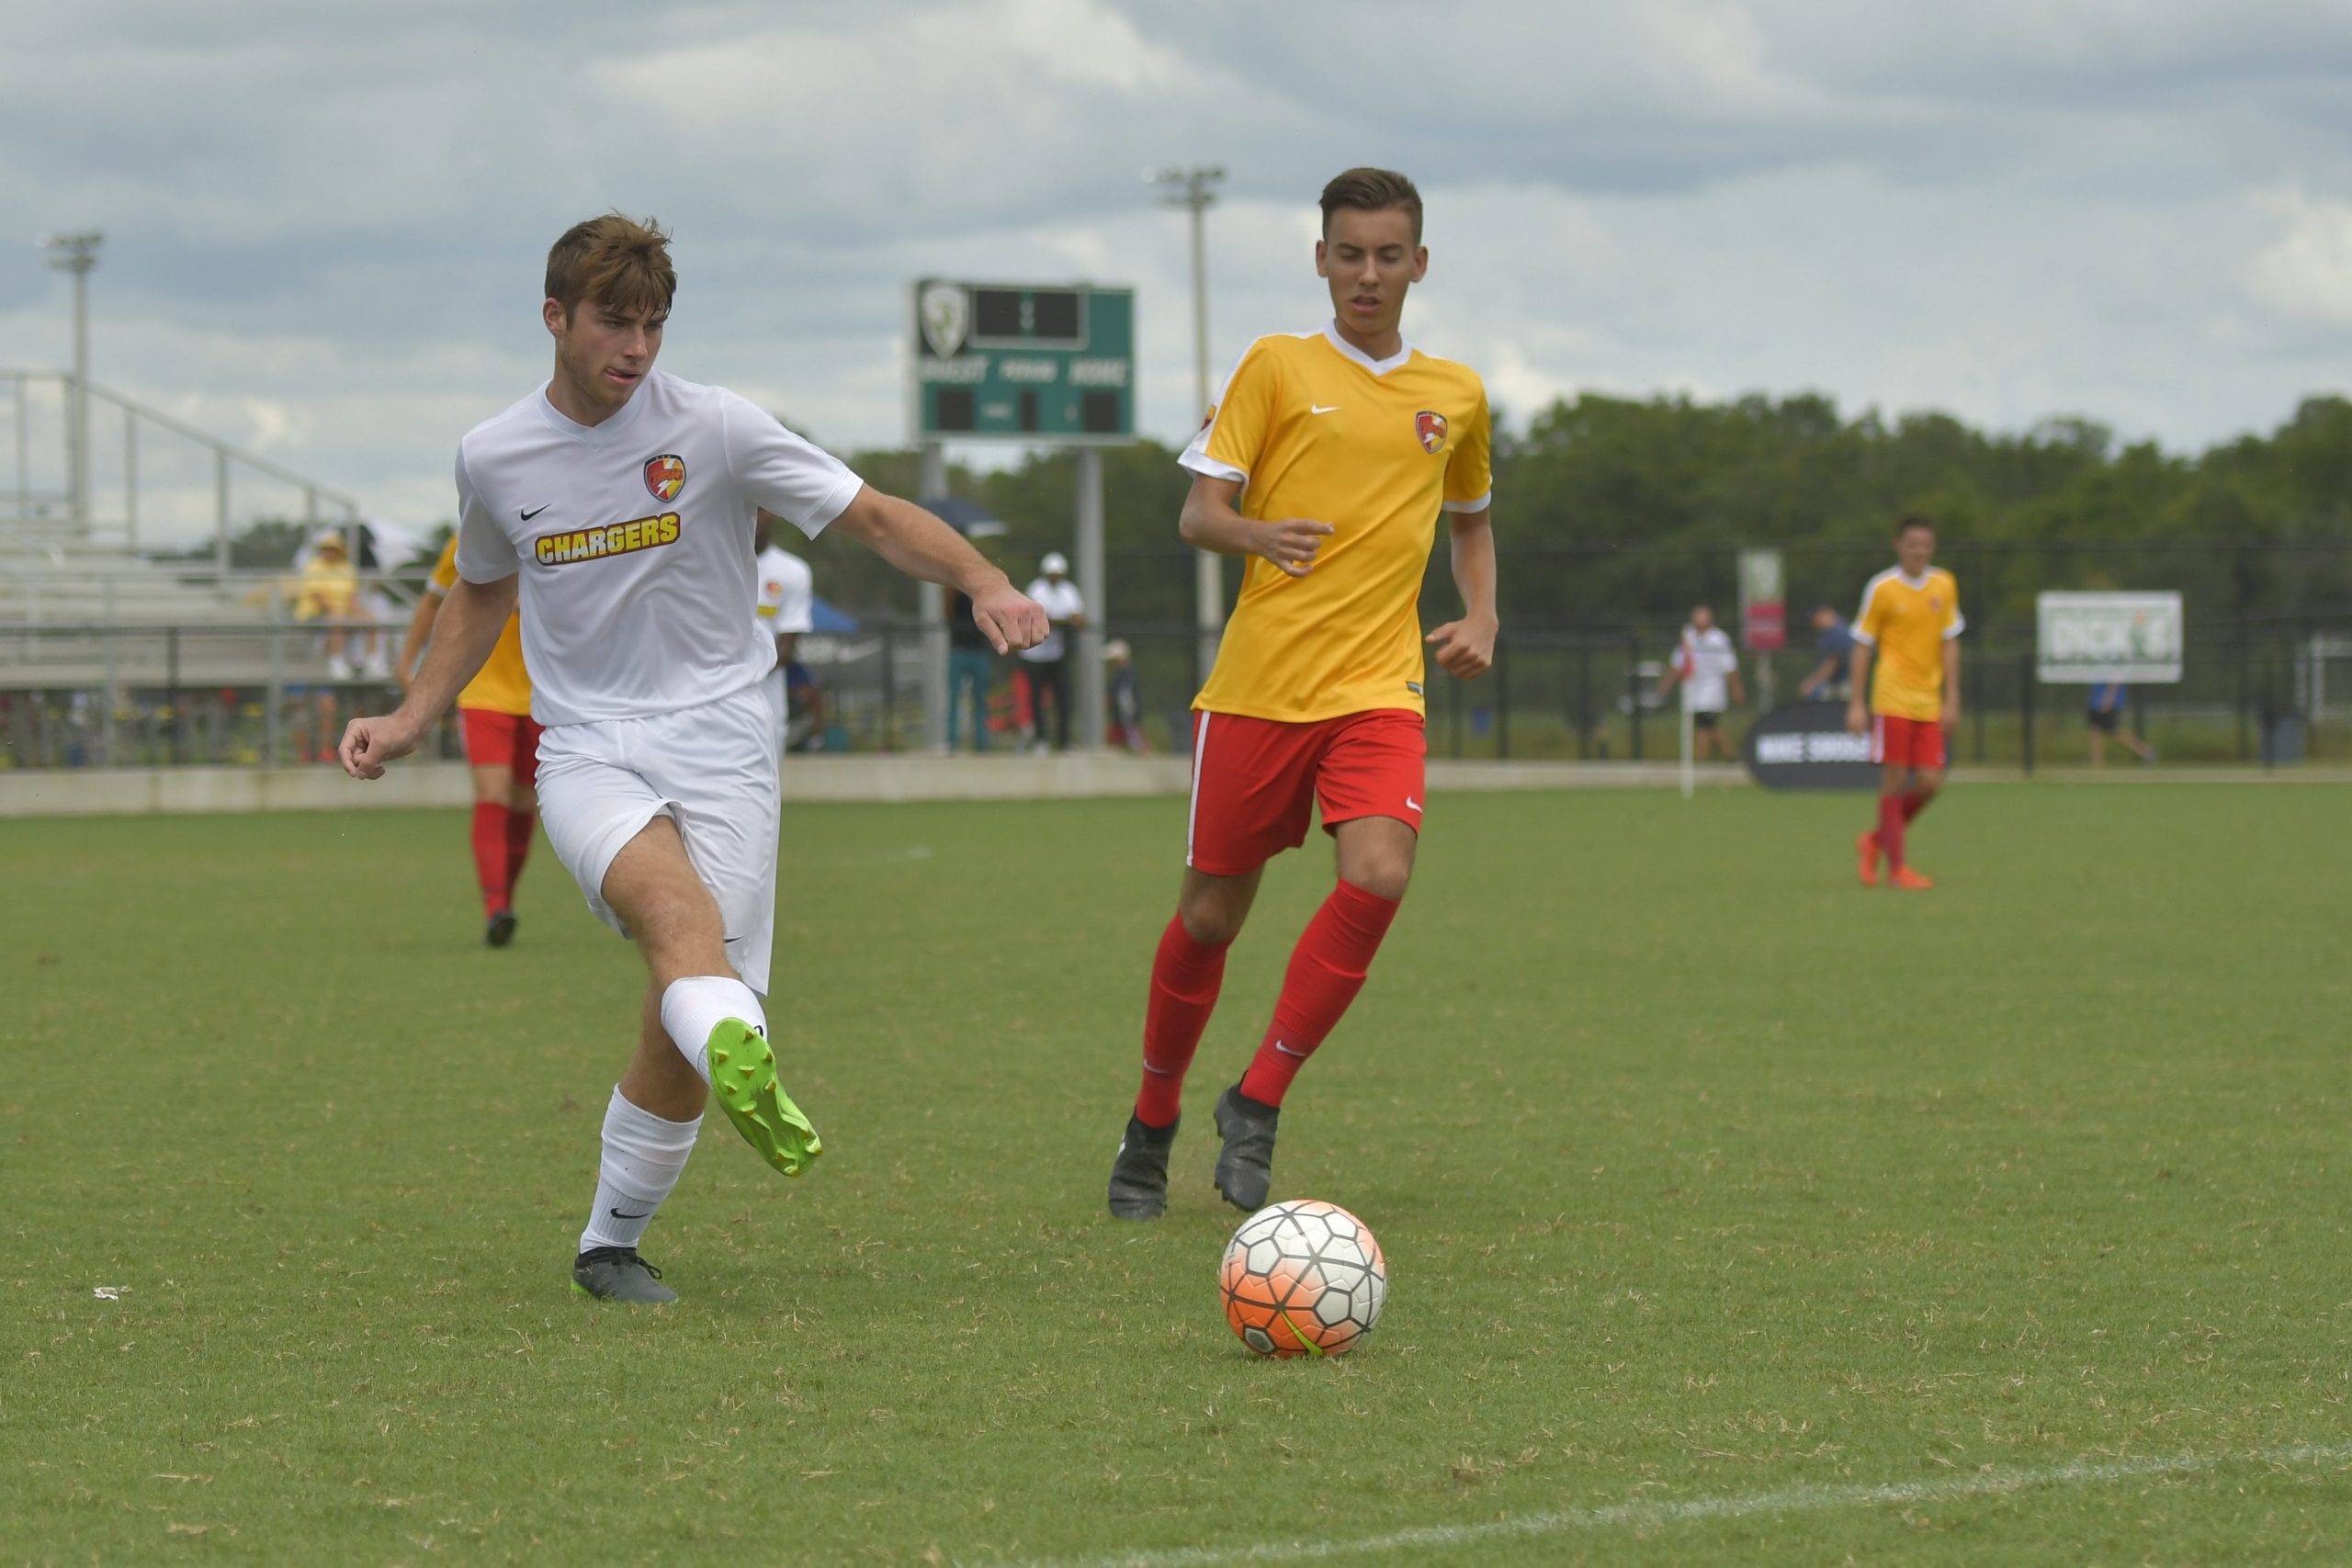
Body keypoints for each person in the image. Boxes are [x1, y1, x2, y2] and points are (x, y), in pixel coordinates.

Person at [339, 215, 1046, 1303]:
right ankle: (737, 1044)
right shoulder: (493, 454)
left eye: (653, 325)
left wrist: (984, 581)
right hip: (584, 748)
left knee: (691, 1004)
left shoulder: (714, 427)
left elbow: (870, 516)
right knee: (679, 930)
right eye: (613, 323)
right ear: (555, 320)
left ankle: (609, 1243)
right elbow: (482, 589)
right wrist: (414, 714)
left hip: (725, 739)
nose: (635, 347)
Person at [1105, 167, 1498, 1220]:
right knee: (1208, 916)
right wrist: (1255, 535)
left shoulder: (1454, 394)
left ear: (1419, 263)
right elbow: (1199, 513)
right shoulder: (1275, 367)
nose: (1367, 274)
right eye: (1349, 254)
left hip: (1380, 686)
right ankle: (1150, 1125)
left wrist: (1483, 613)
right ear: (1319, 259)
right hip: (1259, 691)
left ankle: (1257, 1099)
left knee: (1378, 874)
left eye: (1388, 255)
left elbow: (1470, 516)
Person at [398, 535, 542, 945]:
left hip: (541, 692)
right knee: (492, 791)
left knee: (521, 801)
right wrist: (406, 661)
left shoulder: (554, 528)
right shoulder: (466, 539)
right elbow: (433, 599)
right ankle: (494, 906)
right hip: (482, 689)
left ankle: (506, 902)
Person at [1846, 515, 1962, 890]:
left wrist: (1952, 697)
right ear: (1899, 545)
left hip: (1929, 701)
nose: (1918, 551)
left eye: (1925, 544)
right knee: (1894, 781)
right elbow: (1862, 646)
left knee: (1930, 783)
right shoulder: (1882, 588)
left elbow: (1950, 640)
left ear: (1933, 547)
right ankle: (1897, 869)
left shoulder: (1944, 585)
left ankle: (1875, 841)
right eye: (1912, 543)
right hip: (1892, 696)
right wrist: (1857, 703)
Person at [754, 513, 828, 749]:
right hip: (708, 710)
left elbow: (785, 651)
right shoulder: (708, 565)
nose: (751, 516)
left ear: (771, 513)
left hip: (767, 710)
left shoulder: (792, 571)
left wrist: (735, 672)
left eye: (758, 509)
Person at [1654, 604, 1743, 761]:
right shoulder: (1688, 637)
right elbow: (1678, 663)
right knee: (1704, 724)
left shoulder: (1719, 639)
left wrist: (1735, 687)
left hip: (1713, 688)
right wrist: (1666, 683)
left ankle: (1711, 756)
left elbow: (1730, 666)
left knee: (1707, 723)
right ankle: (1724, 755)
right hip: (1693, 688)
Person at [1019, 551, 1086, 751]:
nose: (1054, 577)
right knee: (1037, 699)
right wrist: (1063, 620)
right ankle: (1041, 740)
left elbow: (1080, 619)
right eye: (1052, 573)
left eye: (1058, 573)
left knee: (1064, 698)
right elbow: (1038, 619)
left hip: (1056, 653)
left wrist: (1056, 620)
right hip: (1034, 655)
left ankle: (1065, 741)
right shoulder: (1036, 589)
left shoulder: (1068, 591)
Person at [2087, 681, 2156, 766]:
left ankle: (2146, 752)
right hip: (2095, 703)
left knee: (2115, 734)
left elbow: (2115, 680)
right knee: (2095, 732)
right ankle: (2097, 764)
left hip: (2107, 703)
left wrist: (2108, 699)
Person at [1798, 604, 1855, 701]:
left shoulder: (1837, 632)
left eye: (1815, 618)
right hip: (1840, 683)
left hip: (1841, 685)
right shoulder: (1833, 631)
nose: (1814, 623)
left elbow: (1832, 664)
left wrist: (1811, 684)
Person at [1104, 637, 1146, 753]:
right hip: (1120, 717)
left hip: (1127, 716)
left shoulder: (1128, 675)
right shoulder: (1119, 674)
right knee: (1118, 742)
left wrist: (1127, 715)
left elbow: (1125, 696)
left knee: (1136, 743)